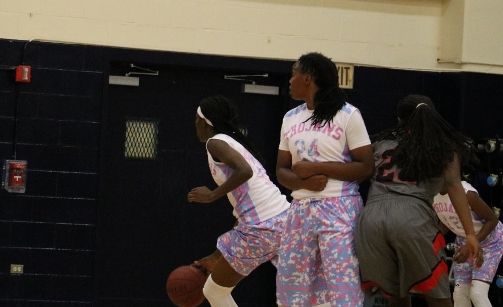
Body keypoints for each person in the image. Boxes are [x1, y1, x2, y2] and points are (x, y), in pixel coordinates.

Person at [354, 94, 481, 307]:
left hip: (370, 219)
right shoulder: (442, 147)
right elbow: (454, 186)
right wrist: (470, 234)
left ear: (400, 120)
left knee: (395, 298)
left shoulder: (381, 144)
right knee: (438, 297)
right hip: (412, 218)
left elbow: (358, 174)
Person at [275, 52, 375, 307]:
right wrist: (303, 183)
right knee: (291, 288)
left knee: (342, 289)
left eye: (294, 74)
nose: (290, 80)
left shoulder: (348, 115)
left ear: (307, 78)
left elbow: (366, 167)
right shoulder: (290, 117)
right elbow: (281, 170)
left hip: (339, 208)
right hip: (300, 209)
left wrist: (318, 167)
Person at [187, 96, 290, 307]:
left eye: (196, 119)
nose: (195, 124)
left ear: (205, 122)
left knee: (214, 292)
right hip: (285, 221)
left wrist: (211, 195)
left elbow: (245, 171)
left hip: (262, 228)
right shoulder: (233, 143)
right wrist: (217, 256)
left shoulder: (215, 142)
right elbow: (248, 205)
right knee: (299, 297)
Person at [432, 179, 503, 307]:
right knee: (459, 294)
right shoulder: (432, 194)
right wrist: (431, 238)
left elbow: (492, 219)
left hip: (489, 239)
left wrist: (469, 245)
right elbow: (447, 220)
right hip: (463, 239)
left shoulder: (467, 193)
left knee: (477, 294)